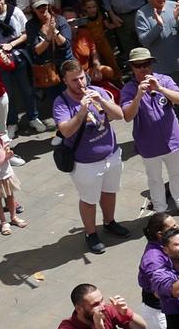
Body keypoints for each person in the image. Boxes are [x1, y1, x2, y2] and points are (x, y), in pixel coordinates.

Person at [53, 57, 129, 253]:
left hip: (111, 155)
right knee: (89, 199)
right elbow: (66, 131)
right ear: (65, 81)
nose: (80, 84)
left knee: (109, 192)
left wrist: (101, 100)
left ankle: (109, 222)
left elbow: (119, 115)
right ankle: (90, 232)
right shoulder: (61, 103)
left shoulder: (98, 91)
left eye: (81, 78)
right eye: (74, 81)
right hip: (85, 163)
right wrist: (82, 111)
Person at [120, 47, 179, 217]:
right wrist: (139, 95)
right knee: (155, 179)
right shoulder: (129, 89)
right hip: (148, 144)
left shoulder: (164, 80)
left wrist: (160, 88)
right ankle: (160, 210)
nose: (143, 68)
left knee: (177, 174)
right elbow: (127, 116)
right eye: (138, 65)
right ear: (132, 67)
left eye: (146, 64)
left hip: (172, 139)